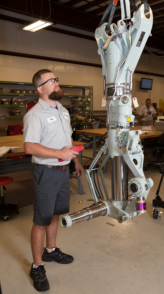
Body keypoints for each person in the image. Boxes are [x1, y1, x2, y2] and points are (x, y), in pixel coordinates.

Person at [23, 69, 84, 292]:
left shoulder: (63, 110)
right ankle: (37, 266)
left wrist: (75, 161)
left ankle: (51, 251)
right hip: (45, 171)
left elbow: (67, 139)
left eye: (56, 79)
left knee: (55, 213)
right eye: (52, 81)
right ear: (40, 89)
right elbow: (30, 147)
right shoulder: (34, 114)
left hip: (62, 170)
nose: (57, 83)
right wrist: (60, 154)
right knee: (41, 220)